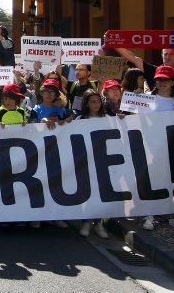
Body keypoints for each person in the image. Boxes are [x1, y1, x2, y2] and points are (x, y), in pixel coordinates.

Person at [140, 65, 174, 231]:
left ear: (173, 82)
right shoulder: (146, 98)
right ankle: (149, 214)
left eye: (166, 80)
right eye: (159, 79)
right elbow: (136, 122)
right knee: (152, 179)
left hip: (172, 147)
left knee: (173, 179)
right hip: (151, 146)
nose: (162, 83)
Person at [74, 89, 110, 239]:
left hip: (103, 160)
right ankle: (87, 222)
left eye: (98, 101)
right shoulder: (80, 119)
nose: (96, 104)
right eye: (92, 101)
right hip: (85, 162)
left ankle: (99, 222)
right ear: (87, 104)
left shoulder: (108, 118)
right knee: (87, 191)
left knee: (101, 191)